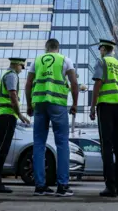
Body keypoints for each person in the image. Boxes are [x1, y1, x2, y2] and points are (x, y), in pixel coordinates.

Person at [25, 38, 79, 197]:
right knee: (62, 143)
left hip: (40, 104)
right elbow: (74, 83)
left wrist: (29, 105)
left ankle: (39, 186)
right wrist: (75, 104)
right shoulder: (65, 60)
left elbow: (28, 84)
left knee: (39, 144)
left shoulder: (37, 61)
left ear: (46, 48)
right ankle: (62, 186)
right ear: (58, 48)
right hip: (57, 104)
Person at [90, 39, 118, 198]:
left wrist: (92, 106)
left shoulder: (101, 62)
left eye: (100, 49)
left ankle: (109, 186)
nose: (100, 52)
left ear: (104, 49)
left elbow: (98, 83)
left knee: (107, 146)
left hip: (105, 106)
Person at [0, 57, 31, 193]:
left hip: (3, 115)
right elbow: (13, 96)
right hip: (7, 115)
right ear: (17, 65)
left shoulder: (6, 75)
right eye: (21, 67)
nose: (21, 70)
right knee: (2, 150)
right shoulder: (12, 75)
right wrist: (20, 115)